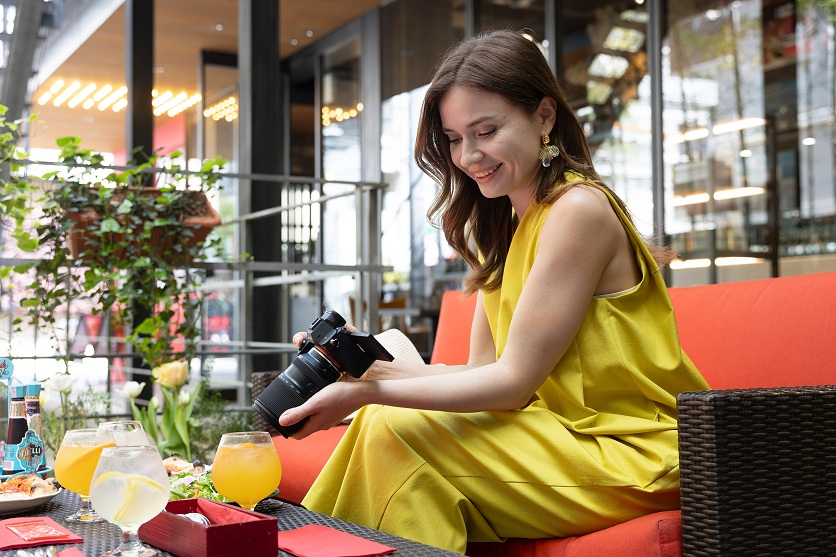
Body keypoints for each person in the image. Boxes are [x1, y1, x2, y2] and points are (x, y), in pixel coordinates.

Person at [278, 29, 710, 553]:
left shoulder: (578, 211)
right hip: (563, 438)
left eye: (486, 130)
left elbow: (510, 384)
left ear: (544, 116)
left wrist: (365, 392)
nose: (468, 155)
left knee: (391, 428)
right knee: (390, 429)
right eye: (456, 138)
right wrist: (361, 365)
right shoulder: (505, 228)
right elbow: (482, 373)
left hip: (637, 452)